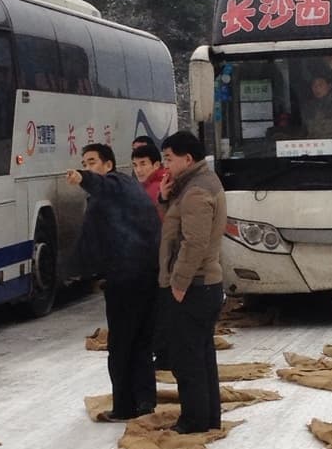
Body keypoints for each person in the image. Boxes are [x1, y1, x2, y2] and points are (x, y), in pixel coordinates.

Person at [65, 144, 162, 422]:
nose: (88, 166)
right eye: (84, 162)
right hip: (144, 274)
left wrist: (83, 177)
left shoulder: (114, 185)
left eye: (92, 161)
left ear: (108, 165)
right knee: (141, 343)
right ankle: (145, 402)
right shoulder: (127, 188)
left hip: (127, 277)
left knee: (121, 345)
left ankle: (124, 406)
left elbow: (99, 185)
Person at [156, 130, 227, 433]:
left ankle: (194, 420)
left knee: (188, 358)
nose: (166, 166)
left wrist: (178, 284)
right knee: (201, 354)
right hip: (203, 283)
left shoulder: (196, 191)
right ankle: (207, 416)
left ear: (187, 158)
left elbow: (193, 243)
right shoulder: (196, 184)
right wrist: (164, 196)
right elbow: (175, 226)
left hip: (195, 285)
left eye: (169, 159)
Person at [130, 138, 166, 204]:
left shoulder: (158, 187)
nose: (138, 170)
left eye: (143, 164)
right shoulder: (145, 184)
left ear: (156, 165)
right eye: (135, 165)